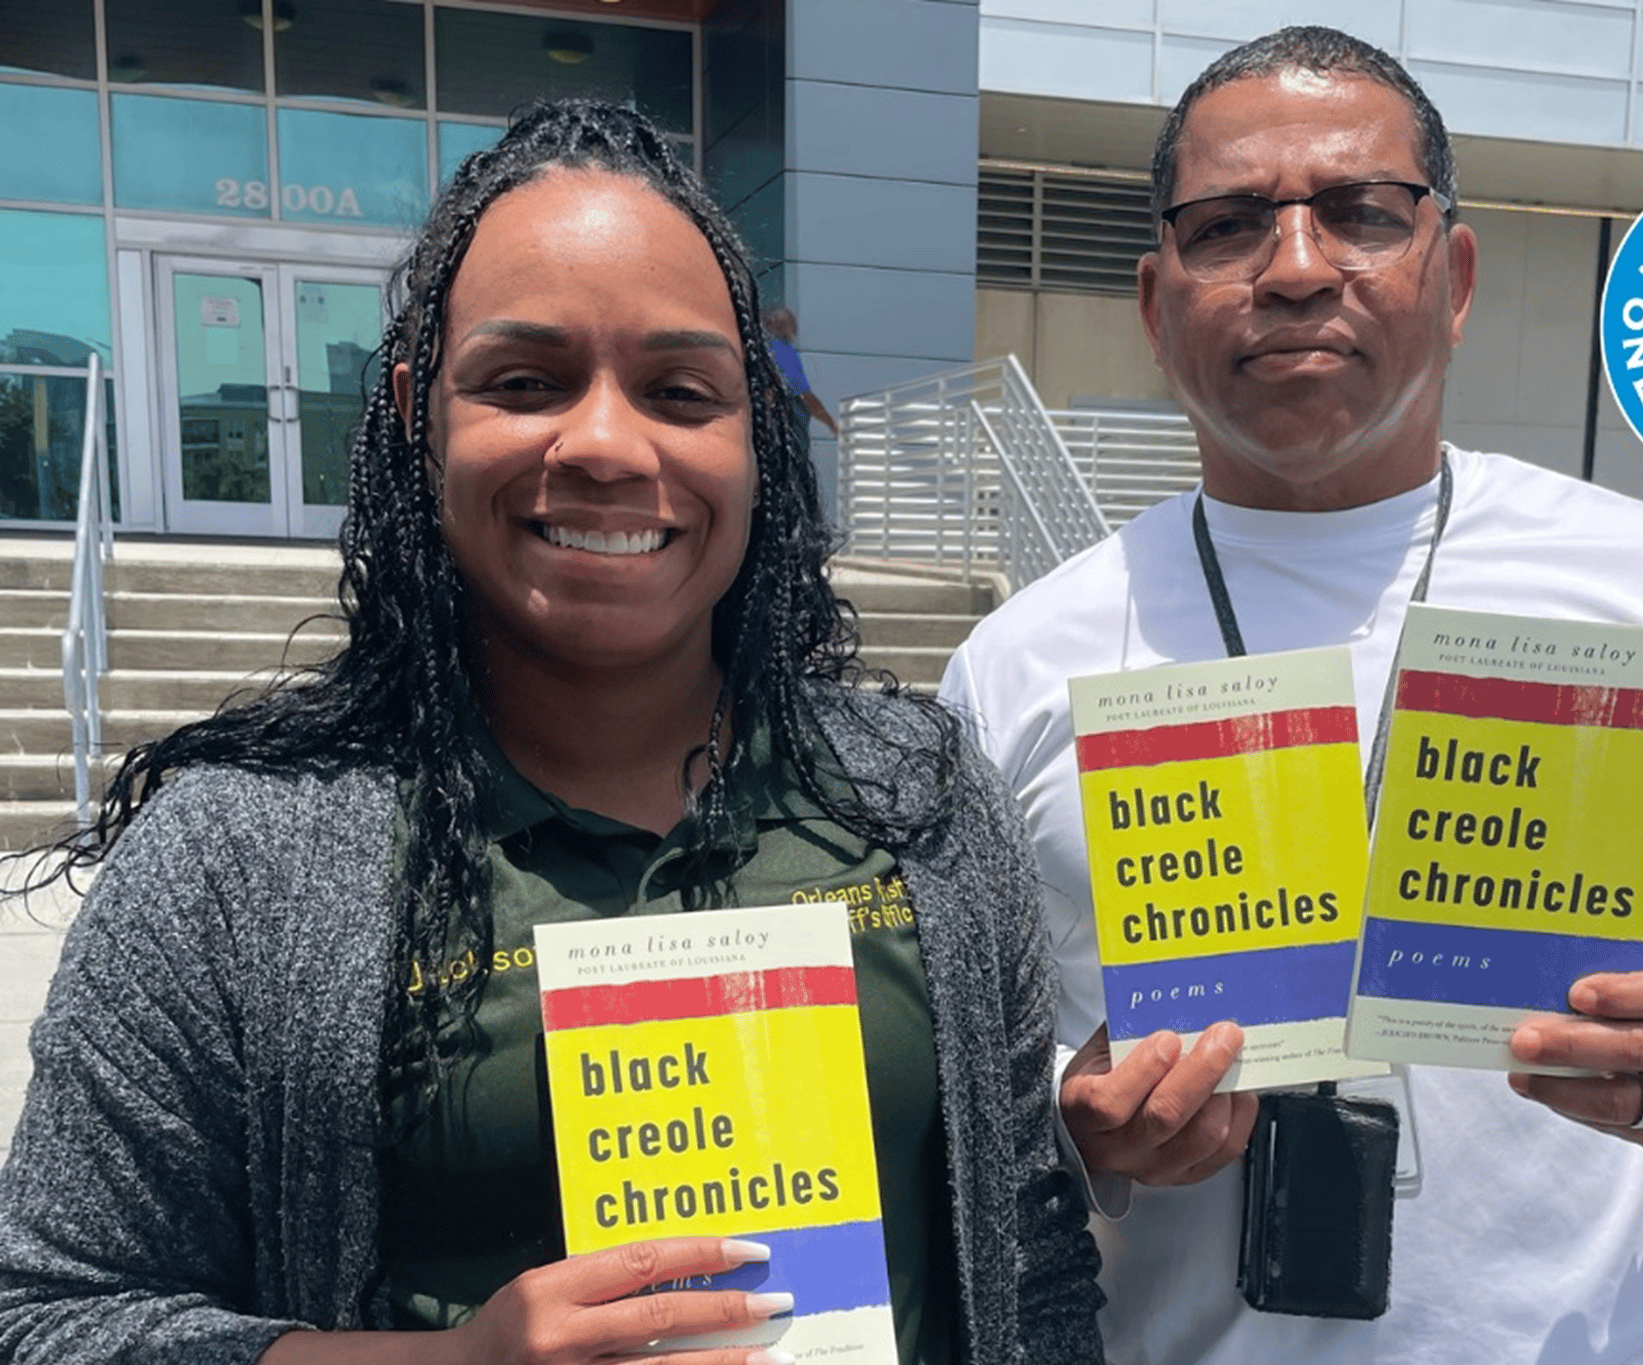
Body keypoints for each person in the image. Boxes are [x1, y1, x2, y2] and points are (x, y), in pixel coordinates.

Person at [0, 100, 1102, 1365]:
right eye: (524, 382)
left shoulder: (920, 799)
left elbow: (1030, 1257)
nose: (604, 444)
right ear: (419, 409)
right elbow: (52, 1319)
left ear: (758, 433)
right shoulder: (237, 857)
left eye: (680, 391)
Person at [938, 26, 1643, 1365]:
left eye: (1358, 213)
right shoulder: (1021, 664)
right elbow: (971, 1074)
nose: (1294, 270)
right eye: (1229, 225)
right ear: (1159, 304)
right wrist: (1075, 1113)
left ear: (1451, 276)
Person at [764, 307, 840, 464]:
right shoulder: (783, 351)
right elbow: (804, 395)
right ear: (784, 327)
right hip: (786, 437)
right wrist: (831, 423)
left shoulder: (761, 352)